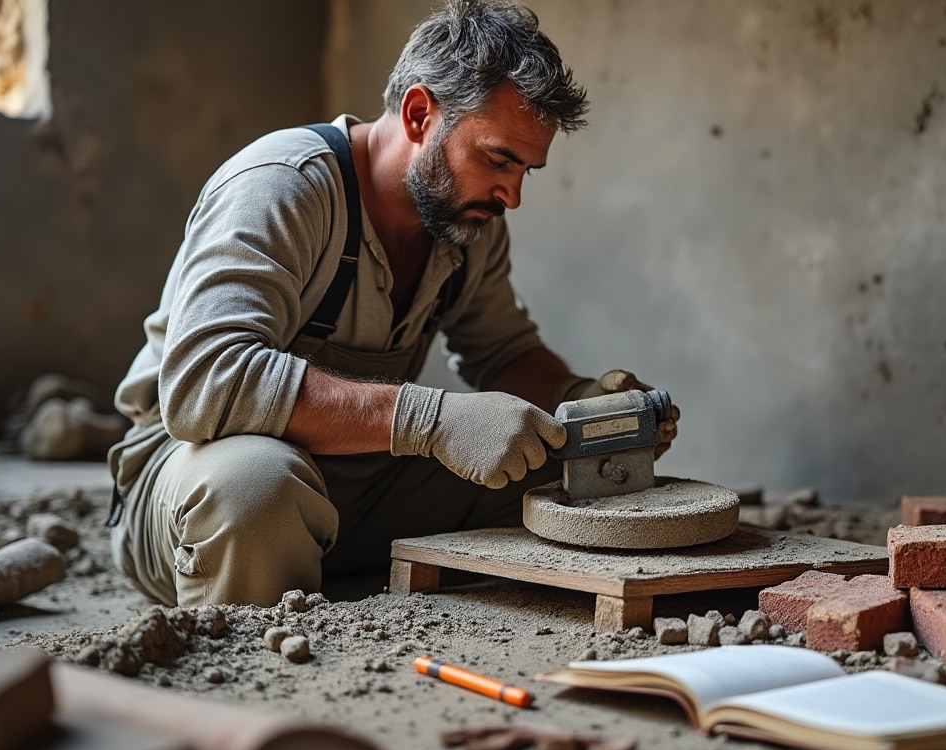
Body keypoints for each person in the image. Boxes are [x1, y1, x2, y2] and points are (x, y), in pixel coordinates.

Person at [107, 0, 677, 609]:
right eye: (497, 159)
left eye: (526, 171)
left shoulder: (468, 222)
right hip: (190, 481)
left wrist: (583, 403)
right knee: (255, 489)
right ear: (418, 114)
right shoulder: (281, 186)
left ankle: (325, 561)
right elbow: (205, 385)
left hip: (363, 483)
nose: (511, 194)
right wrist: (431, 421)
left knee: (578, 473)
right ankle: (254, 653)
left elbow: (502, 353)